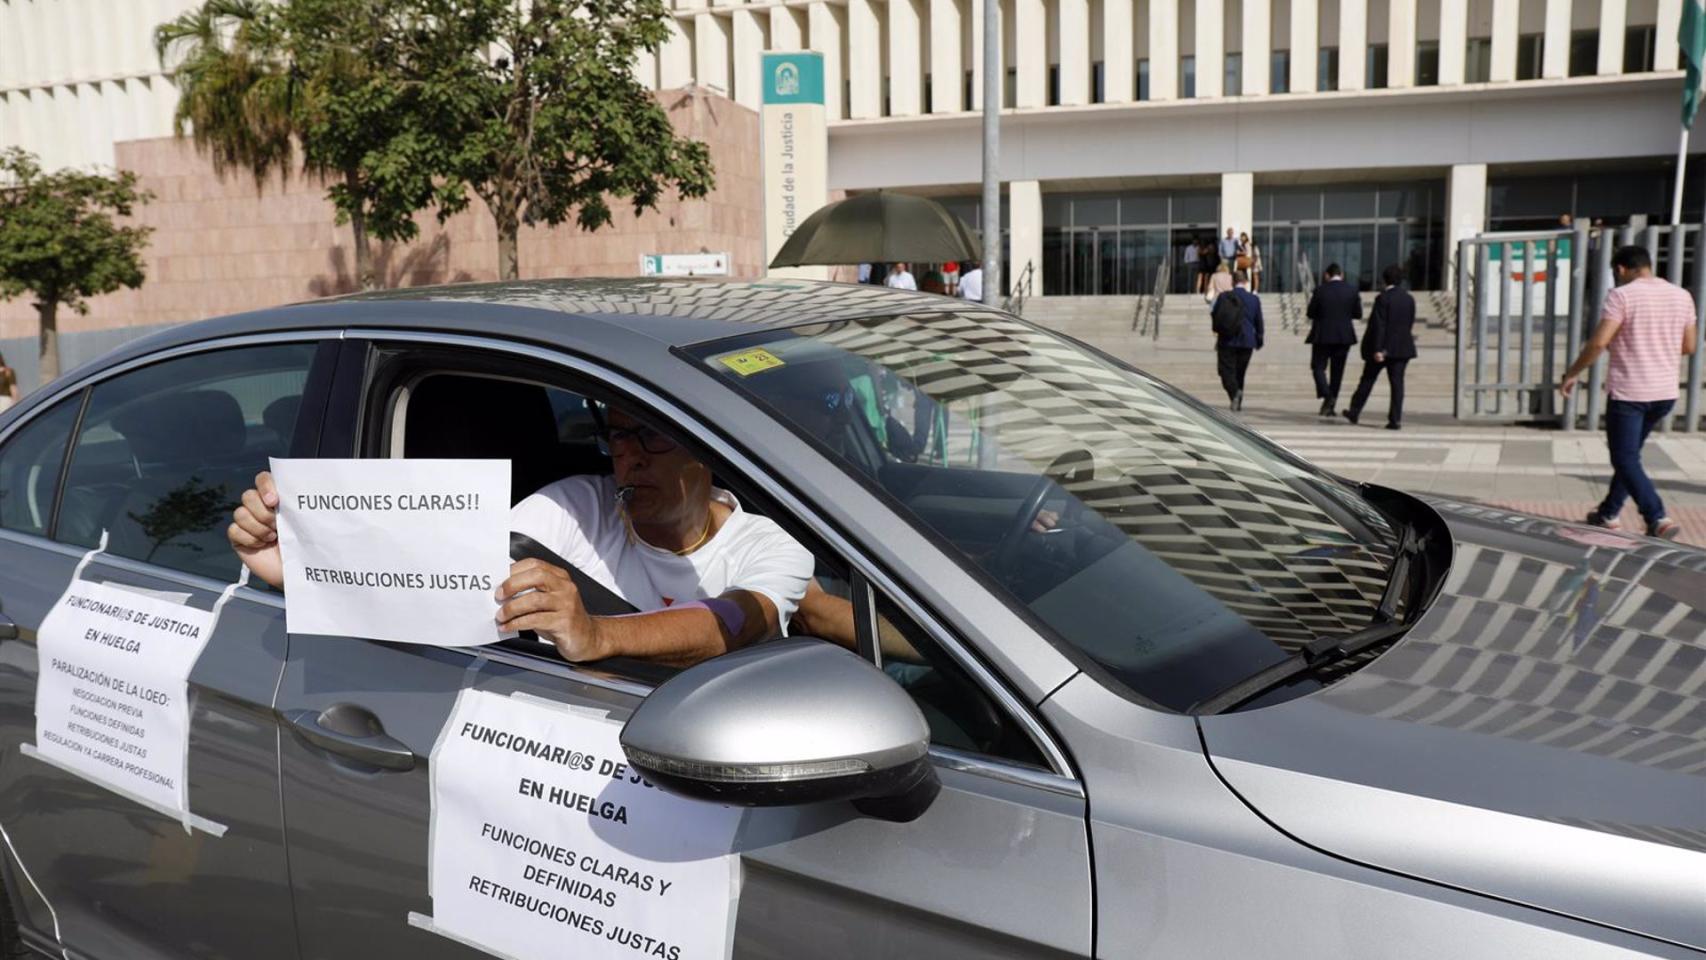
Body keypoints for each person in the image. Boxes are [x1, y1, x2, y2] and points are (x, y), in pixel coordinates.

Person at [226, 407, 816, 666]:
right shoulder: (581, 504)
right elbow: (452, 566)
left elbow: (736, 625)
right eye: (618, 438)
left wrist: (596, 634)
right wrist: (297, 566)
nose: (630, 457)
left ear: (707, 450)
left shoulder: (769, 547)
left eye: (652, 436)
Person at [1560, 244, 1699, 540]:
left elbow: (1599, 342)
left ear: (1621, 269)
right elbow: (1688, 346)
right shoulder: (1682, 296)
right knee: (1630, 456)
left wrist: (1572, 373)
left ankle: (1657, 516)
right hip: (1664, 392)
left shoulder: (1621, 295)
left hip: (1630, 392)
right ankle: (1607, 514)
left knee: (1624, 458)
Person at [1343, 265, 1417, 430]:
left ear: (1385, 280)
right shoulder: (1409, 299)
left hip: (1382, 348)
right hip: (1402, 348)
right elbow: (1409, 323)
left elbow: (1379, 326)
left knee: (1367, 380)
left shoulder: (1383, 298)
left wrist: (1377, 349)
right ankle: (1395, 419)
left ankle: (1354, 411)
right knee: (1397, 384)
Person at [1305, 262, 1361, 417]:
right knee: (1337, 372)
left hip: (1322, 334)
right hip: (1344, 336)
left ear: (1326, 275)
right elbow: (1358, 314)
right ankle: (1331, 403)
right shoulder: (1352, 290)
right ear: (1341, 275)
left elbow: (1310, 313)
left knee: (1318, 367)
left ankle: (1327, 396)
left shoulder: (1320, 290)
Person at [1209, 269, 1264, 410]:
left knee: (1225, 371)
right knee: (1240, 373)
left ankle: (1234, 394)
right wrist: (1259, 339)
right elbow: (1259, 321)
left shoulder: (1224, 297)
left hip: (1227, 339)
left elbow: (1216, 315)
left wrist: (1218, 331)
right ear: (1246, 282)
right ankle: (1237, 400)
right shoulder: (1254, 299)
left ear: (1232, 282)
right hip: (1247, 341)